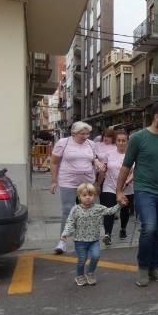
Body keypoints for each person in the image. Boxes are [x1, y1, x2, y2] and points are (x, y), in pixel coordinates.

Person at [116, 102, 158, 287]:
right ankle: (143, 268)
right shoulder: (138, 138)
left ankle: (154, 268)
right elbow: (126, 166)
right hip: (145, 191)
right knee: (149, 228)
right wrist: (119, 190)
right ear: (157, 117)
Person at [49, 121, 106, 255]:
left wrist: (97, 163)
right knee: (68, 210)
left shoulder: (91, 144)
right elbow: (54, 162)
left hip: (87, 181)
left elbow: (93, 159)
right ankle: (62, 242)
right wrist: (53, 181)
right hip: (68, 180)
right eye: (82, 134)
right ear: (74, 133)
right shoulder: (64, 143)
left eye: (87, 133)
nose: (85, 136)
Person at [60, 182, 123, 286]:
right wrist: (65, 233)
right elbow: (70, 222)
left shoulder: (98, 208)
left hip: (94, 240)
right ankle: (79, 276)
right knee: (82, 259)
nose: (88, 197)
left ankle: (90, 273)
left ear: (94, 195)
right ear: (79, 196)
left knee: (96, 256)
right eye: (84, 195)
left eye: (90, 195)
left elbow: (110, 211)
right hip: (80, 241)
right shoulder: (75, 209)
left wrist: (119, 204)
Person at [99, 130, 134, 244]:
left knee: (125, 210)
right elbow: (103, 170)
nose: (121, 143)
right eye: (118, 140)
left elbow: (135, 171)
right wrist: (98, 185)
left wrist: (126, 183)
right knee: (108, 211)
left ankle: (123, 228)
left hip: (127, 188)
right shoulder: (109, 154)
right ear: (116, 141)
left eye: (123, 140)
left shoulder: (132, 154)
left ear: (127, 141)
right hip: (109, 186)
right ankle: (107, 234)